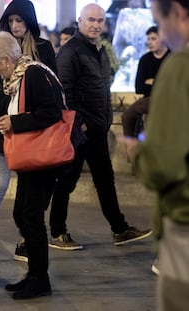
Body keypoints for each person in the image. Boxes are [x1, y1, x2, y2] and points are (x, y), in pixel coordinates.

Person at [48, 3, 151, 251]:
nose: (96, 24)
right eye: (91, 20)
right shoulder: (70, 51)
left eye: (100, 20)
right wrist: (80, 124)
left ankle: (119, 229)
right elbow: (65, 92)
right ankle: (57, 233)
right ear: (80, 22)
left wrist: (100, 121)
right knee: (67, 181)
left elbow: (101, 87)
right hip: (80, 131)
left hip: (97, 128)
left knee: (105, 179)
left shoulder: (98, 49)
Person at [0, 31, 63, 300]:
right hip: (30, 158)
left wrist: (15, 123)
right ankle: (34, 275)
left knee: (31, 216)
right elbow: (0, 107)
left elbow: (52, 112)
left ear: (7, 59)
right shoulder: (15, 80)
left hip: (44, 159)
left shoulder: (33, 74)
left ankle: (40, 279)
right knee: (21, 214)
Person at [119, 0, 189, 309]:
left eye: (158, 23)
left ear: (175, 12)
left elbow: (165, 164)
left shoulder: (179, 66)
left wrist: (141, 153)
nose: (160, 32)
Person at [121, 26, 170, 160]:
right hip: (149, 99)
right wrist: (159, 83)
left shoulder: (172, 58)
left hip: (170, 100)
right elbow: (139, 88)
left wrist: (152, 82)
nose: (150, 42)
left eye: (153, 39)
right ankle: (130, 149)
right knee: (127, 115)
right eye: (148, 39)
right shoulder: (145, 59)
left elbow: (172, 87)